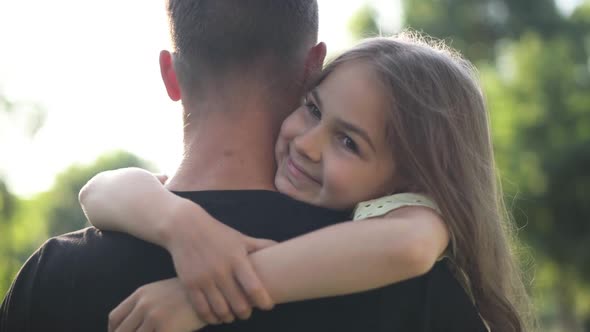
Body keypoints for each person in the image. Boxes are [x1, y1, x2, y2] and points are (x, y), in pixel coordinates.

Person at [0, 1, 514, 332]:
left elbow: (408, 243)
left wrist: (203, 291)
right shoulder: (421, 295)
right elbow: (102, 190)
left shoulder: (53, 276)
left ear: (170, 75)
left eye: (350, 143)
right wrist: (184, 229)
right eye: (314, 110)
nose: (310, 146)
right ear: (312, 70)